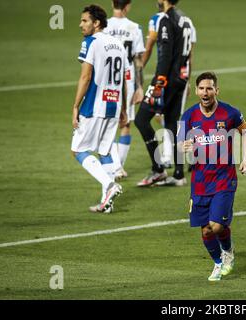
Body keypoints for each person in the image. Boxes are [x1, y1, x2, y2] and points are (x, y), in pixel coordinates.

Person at [178, 72, 246, 281]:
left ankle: (227, 252)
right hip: (200, 181)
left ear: (216, 90)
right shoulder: (189, 116)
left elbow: (245, 131)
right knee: (207, 231)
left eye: (209, 88)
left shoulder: (230, 113)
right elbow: (179, 142)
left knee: (217, 225)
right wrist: (183, 146)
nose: (205, 92)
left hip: (224, 179)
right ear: (196, 91)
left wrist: (245, 159)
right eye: (201, 88)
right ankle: (218, 262)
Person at [71, 4, 127, 213]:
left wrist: (76, 106)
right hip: (113, 104)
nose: (81, 25)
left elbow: (86, 77)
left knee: (78, 149)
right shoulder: (118, 45)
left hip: (94, 105)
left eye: (85, 21)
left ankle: (110, 185)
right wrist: (122, 109)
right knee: (104, 152)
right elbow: (123, 79)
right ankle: (107, 202)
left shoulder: (91, 42)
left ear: (96, 23)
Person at [134, 0, 193, 187]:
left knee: (141, 120)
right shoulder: (185, 19)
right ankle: (178, 174)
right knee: (173, 125)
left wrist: (159, 82)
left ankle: (158, 169)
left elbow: (165, 55)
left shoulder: (166, 20)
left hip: (165, 80)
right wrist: (186, 78)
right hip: (180, 79)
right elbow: (188, 52)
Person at [104, 0, 146, 180]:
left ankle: (115, 167)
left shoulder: (103, 26)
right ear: (128, 5)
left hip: (106, 80)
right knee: (125, 123)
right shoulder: (134, 28)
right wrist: (139, 87)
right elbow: (138, 61)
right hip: (126, 81)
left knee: (108, 124)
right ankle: (119, 166)